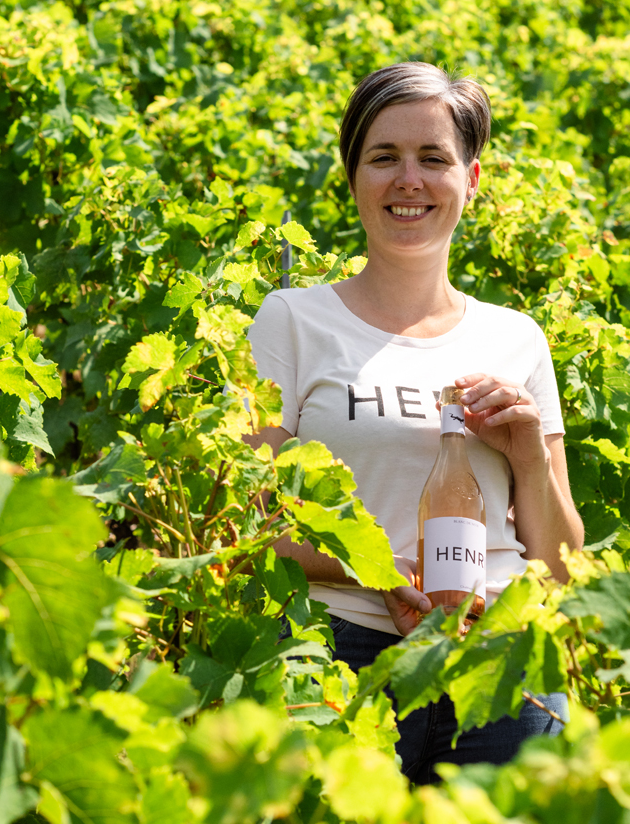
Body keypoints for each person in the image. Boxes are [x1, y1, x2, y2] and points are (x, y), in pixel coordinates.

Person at [246, 62, 584, 784]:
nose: (409, 179)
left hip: (500, 666)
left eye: (433, 158)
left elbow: (558, 564)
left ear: (471, 178)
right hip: (336, 656)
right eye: (383, 157)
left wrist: (526, 450)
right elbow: (250, 523)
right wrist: (374, 573)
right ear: (353, 176)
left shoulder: (516, 337)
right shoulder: (293, 321)